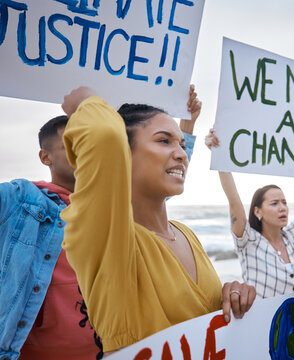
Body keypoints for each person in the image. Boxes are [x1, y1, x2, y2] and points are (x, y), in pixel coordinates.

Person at [0, 87, 201, 360]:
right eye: (72, 144)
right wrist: (86, 104)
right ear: (46, 157)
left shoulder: (129, 216)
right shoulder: (24, 200)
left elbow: (154, 179)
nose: (81, 151)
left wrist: (185, 131)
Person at [59, 87, 256, 355]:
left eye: (182, 145)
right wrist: (83, 103)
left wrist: (231, 296)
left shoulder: (185, 233)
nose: (181, 154)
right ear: (123, 153)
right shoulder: (107, 236)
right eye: (164, 141)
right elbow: (103, 137)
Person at [205, 129, 294, 299]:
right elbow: (234, 200)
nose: (282, 208)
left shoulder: (292, 237)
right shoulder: (249, 241)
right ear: (257, 211)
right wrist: (219, 154)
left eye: (284, 203)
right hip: (262, 323)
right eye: (274, 203)